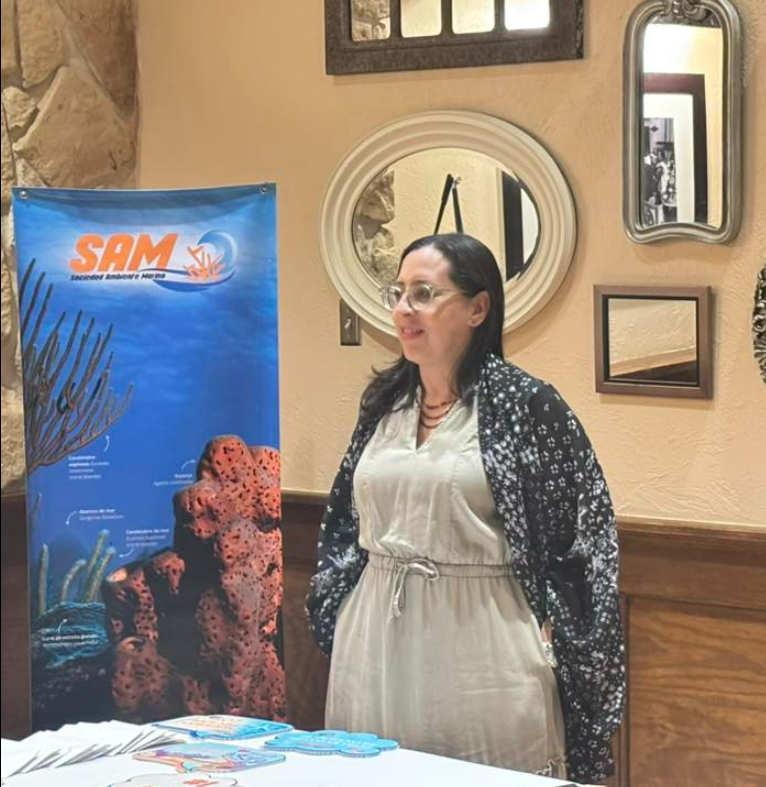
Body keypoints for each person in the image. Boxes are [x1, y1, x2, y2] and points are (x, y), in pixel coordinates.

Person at [306, 233, 625, 784]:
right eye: (398, 293)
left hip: (484, 645)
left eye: (425, 293)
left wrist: (566, 644)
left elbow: (582, 543)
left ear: (478, 308)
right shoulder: (384, 404)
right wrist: (335, 605)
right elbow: (342, 523)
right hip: (373, 641)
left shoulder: (526, 406)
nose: (405, 309)